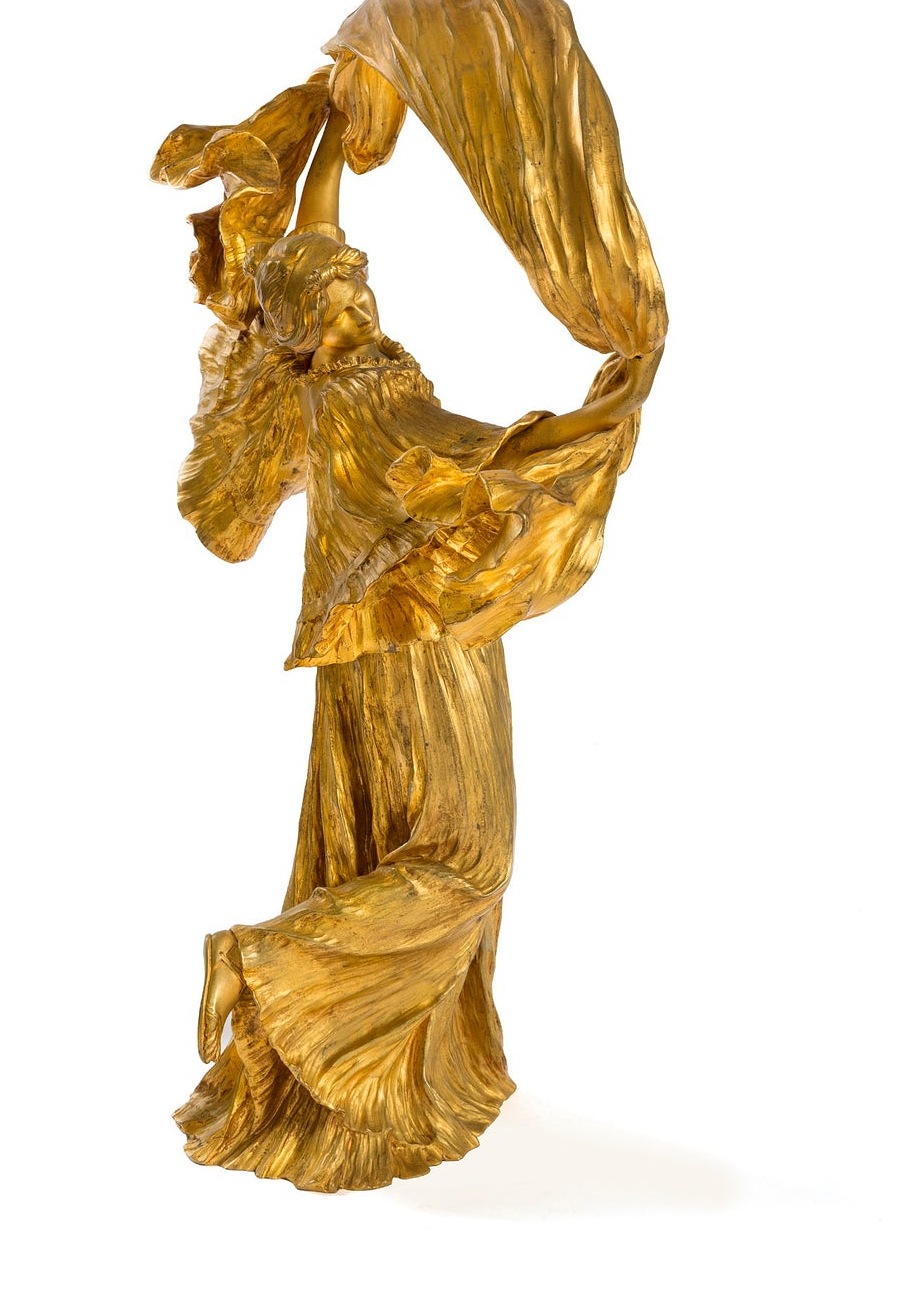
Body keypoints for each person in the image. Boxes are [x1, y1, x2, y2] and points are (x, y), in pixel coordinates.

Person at [173, 114, 659, 1191]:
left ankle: (375, 1070)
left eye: (359, 286)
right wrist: (578, 431)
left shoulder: (340, 378)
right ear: (306, 323)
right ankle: (258, 957)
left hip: (393, 642)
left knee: (388, 853)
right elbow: (462, 459)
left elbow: (317, 241)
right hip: (421, 645)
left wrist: (332, 124)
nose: (358, 297)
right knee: (463, 858)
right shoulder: (352, 394)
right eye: (339, 295)